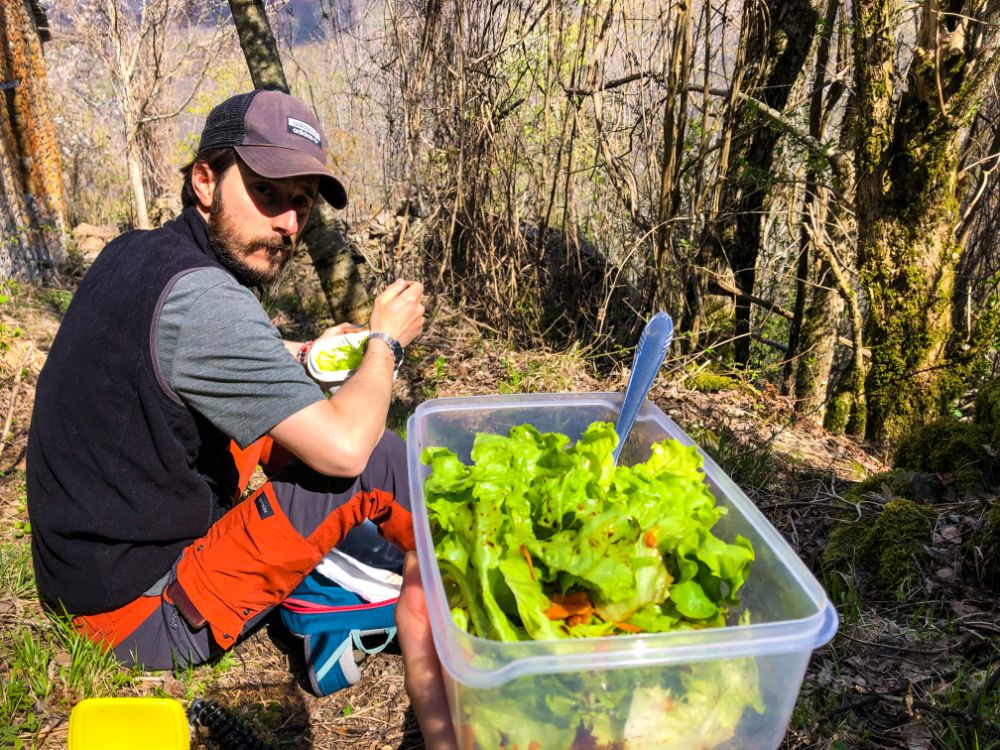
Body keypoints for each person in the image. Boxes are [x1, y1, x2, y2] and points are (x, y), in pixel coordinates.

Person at [26, 89, 425, 673]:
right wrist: (386, 344)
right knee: (374, 461)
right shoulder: (207, 299)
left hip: (81, 576)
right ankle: (468, 570)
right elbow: (344, 452)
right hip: (142, 616)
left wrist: (303, 353)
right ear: (206, 182)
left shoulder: (137, 252)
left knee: (287, 416)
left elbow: (186, 351)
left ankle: (384, 548)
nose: (287, 223)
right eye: (265, 192)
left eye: (302, 203)